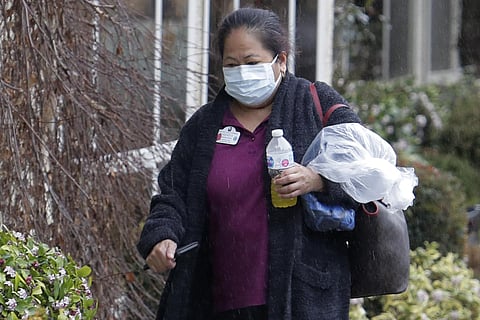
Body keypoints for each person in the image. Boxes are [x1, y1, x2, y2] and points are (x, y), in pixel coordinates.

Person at [137, 7, 361, 320]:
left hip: (301, 297)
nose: (242, 72)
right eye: (232, 64)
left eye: (252, 62)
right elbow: (172, 194)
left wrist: (318, 179)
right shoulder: (204, 125)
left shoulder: (314, 102)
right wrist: (162, 235)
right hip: (215, 299)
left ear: (280, 61)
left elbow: (366, 167)